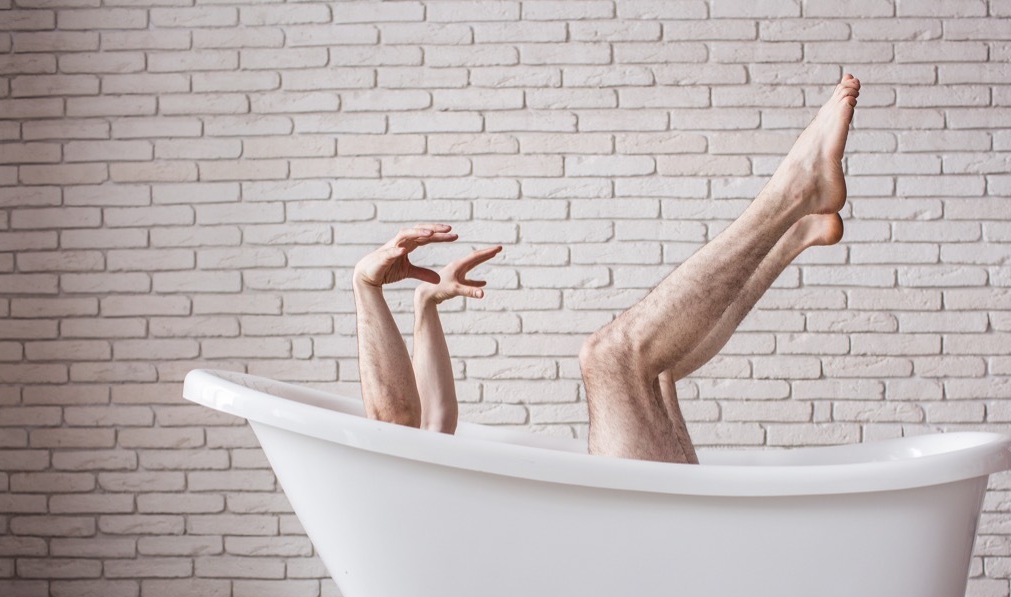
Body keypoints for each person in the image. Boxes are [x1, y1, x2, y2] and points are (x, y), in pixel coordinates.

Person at [351, 74, 861, 463]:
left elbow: (432, 424)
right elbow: (397, 425)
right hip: (610, 557)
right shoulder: (384, 491)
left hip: (627, 554)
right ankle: (793, 193)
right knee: (611, 357)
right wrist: (366, 285)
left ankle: (788, 231)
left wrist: (424, 308)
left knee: (661, 369)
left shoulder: (412, 491)